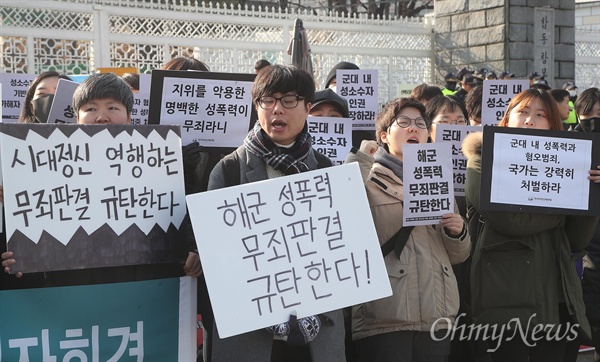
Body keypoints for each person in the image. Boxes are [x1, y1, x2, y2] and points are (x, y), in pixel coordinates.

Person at [206, 64, 345, 362]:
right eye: (267, 100)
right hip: (251, 334)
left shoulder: (326, 169)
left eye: (288, 100)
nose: (277, 110)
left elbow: (340, 249)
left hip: (317, 331)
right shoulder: (229, 170)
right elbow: (219, 258)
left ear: (308, 107)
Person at [2, 73, 201, 280]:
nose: (101, 116)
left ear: (129, 116)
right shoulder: (42, 165)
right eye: (91, 109)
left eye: (112, 107)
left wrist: (193, 251)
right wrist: (22, 256)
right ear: (76, 117)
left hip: (145, 284)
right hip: (72, 288)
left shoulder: (162, 159)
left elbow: (185, 218)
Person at [462, 88, 600, 362]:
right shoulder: (481, 161)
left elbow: (576, 241)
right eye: (522, 112)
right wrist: (563, 206)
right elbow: (512, 221)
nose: (529, 121)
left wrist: (590, 195)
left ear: (553, 123)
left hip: (559, 296)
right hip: (507, 296)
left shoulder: (566, 165)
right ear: (507, 118)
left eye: (540, 115)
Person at [346, 97, 470, 362]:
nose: (413, 128)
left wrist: (457, 232)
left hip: (437, 315)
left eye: (420, 124)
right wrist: (358, 161)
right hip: (384, 317)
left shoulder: (440, 179)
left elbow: (458, 255)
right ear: (384, 135)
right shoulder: (366, 179)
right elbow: (343, 225)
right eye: (403, 122)